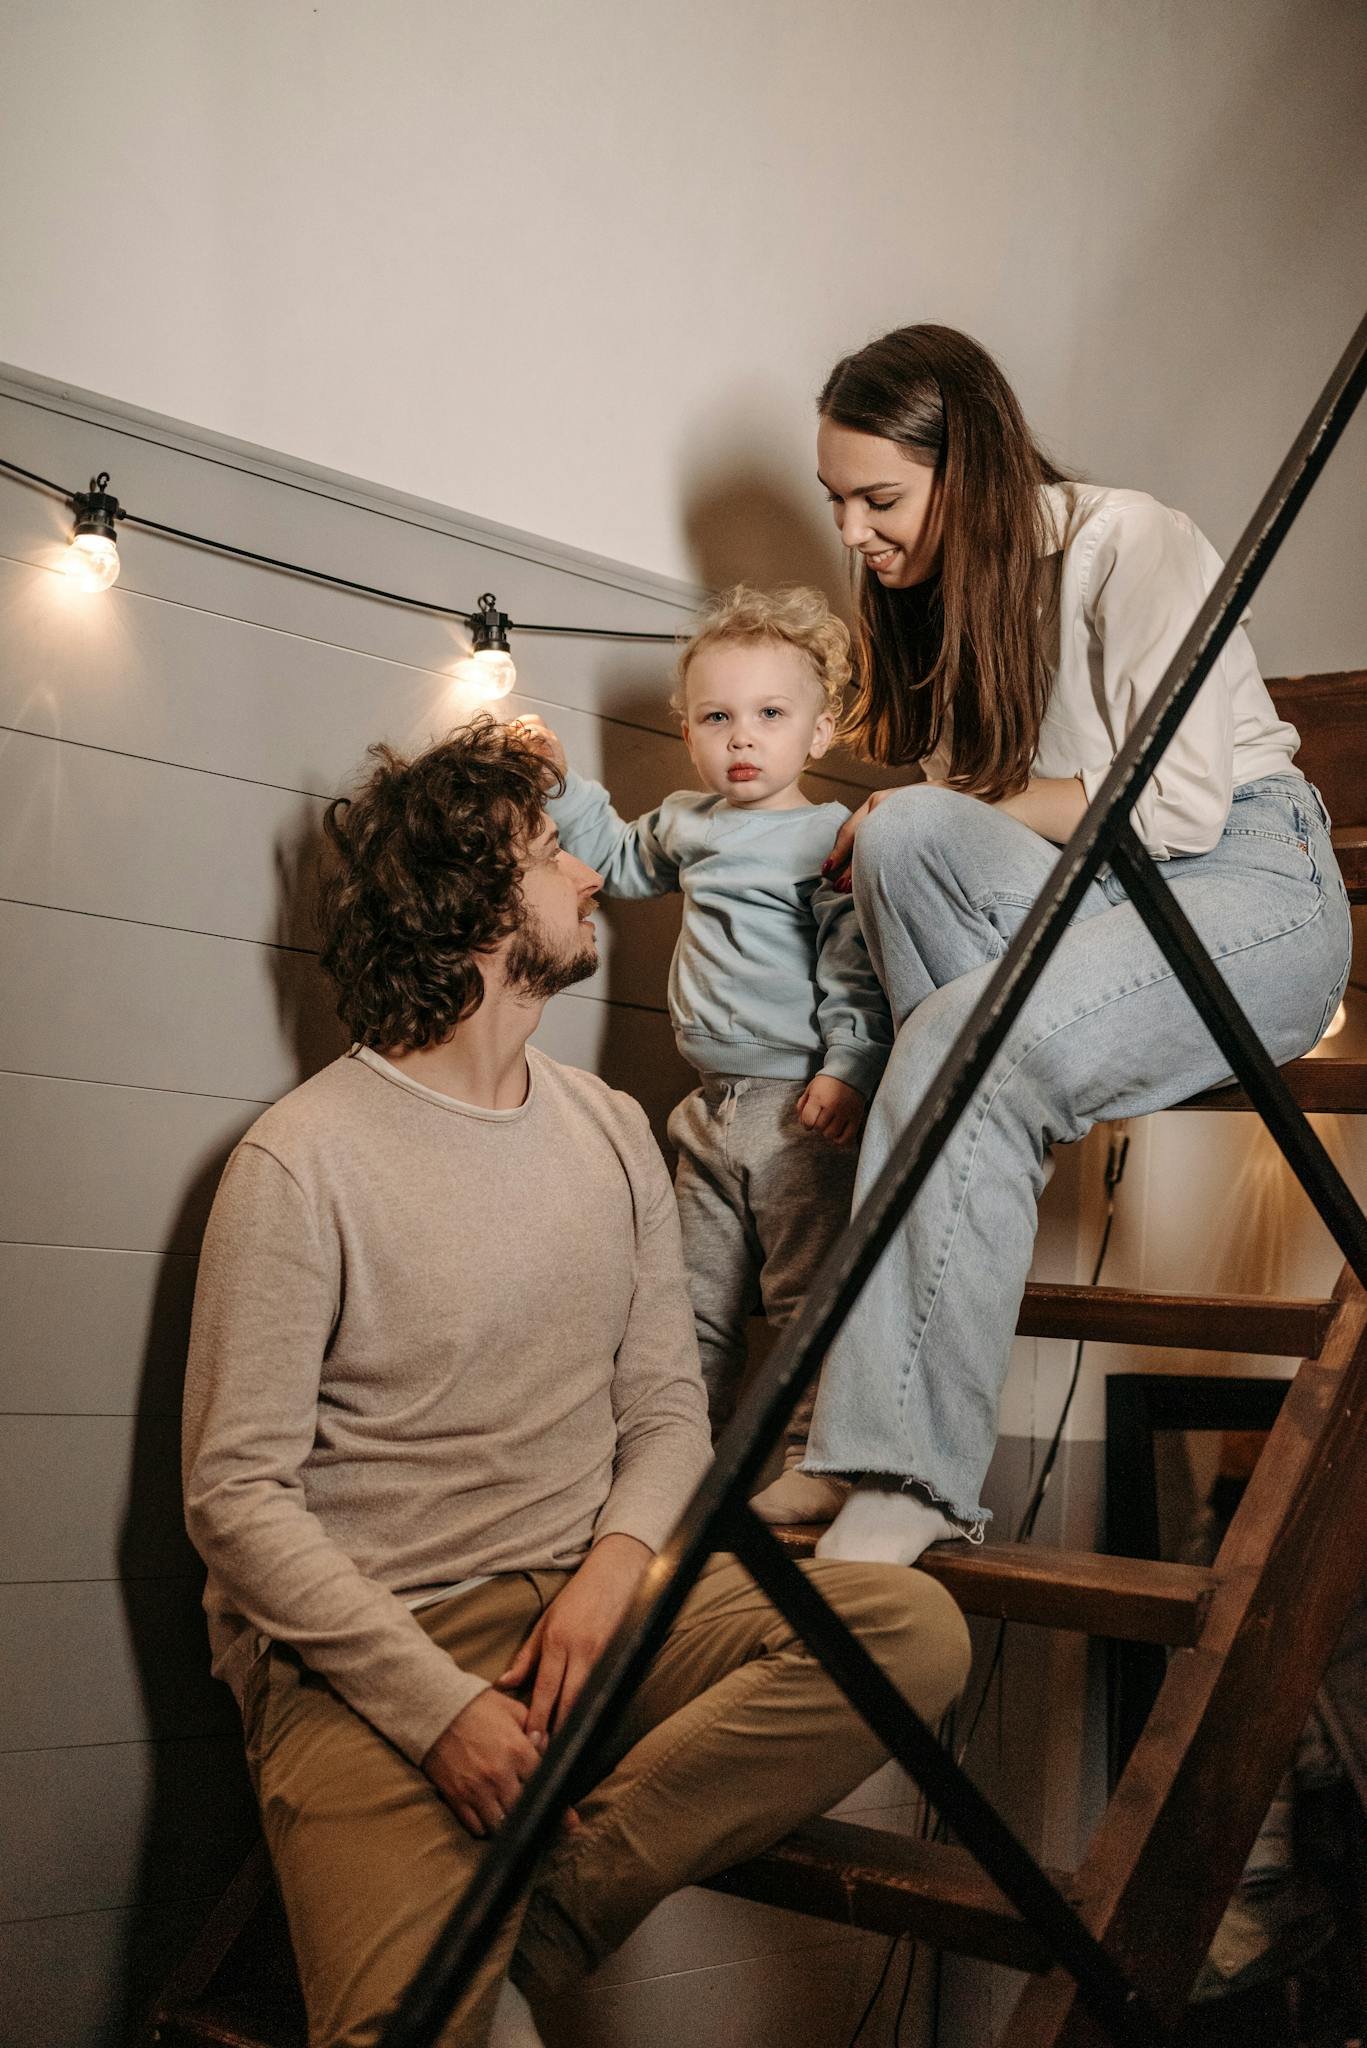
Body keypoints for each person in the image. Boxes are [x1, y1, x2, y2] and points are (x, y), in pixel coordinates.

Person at [181, 716, 970, 2048]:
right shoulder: (299, 1159)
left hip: (590, 1615)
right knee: (401, 2029)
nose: (590, 874)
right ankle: (468, 1955)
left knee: (907, 1634)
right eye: (552, 852)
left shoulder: (608, 1129)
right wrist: (439, 1717)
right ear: (476, 903)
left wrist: (611, 1575)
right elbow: (234, 1498)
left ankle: (546, 1906)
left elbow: (666, 1410)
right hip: (374, 1653)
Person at [801, 323, 1353, 1569]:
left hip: (1249, 887)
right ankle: (876, 1412)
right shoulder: (945, 611)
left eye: (878, 498)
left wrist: (956, 807)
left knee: (950, 1021)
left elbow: (1176, 809)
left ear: (972, 467)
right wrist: (923, 813)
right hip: (1101, 904)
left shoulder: (1127, 539)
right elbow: (974, 837)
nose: (852, 533)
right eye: (833, 500)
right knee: (896, 844)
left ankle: (904, 1465)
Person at [520, 585, 892, 1528]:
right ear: (687, 732)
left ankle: (821, 1458)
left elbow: (854, 971)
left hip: (797, 1108)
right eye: (718, 717)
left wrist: (845, 1071)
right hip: (707, 1107)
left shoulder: (826, 840)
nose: (742, 738)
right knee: (689, 1306)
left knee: (809, 1291)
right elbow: (612, 857)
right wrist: (562, 784)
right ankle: (677, 1473)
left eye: (770, 716)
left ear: (818, 732)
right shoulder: (688, 823)